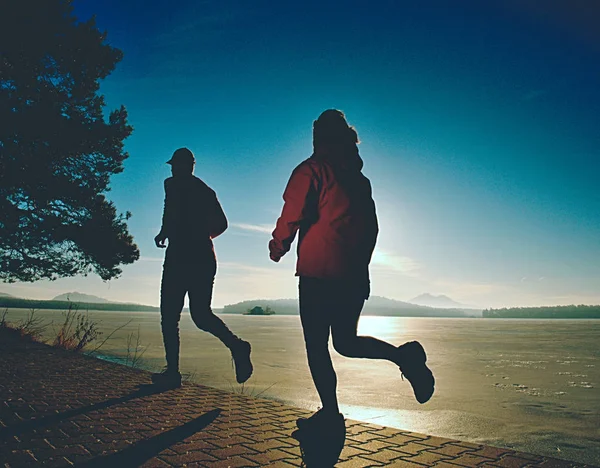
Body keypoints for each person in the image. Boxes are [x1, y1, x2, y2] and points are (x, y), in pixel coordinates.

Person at [269, 110, 434, 431]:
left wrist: (279, 244)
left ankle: (330, 412)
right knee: (345, 342)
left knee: (317, 345)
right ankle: (404, 357)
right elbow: (371, 228)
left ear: (320, 137)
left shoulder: (311, 170)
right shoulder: (359, 181)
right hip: (352, 275)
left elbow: (293, 210)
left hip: (318, 272)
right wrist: (362, 270)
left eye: (316, 133)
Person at [152, 147, 252, 388]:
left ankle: (237, 346)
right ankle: (173, 372)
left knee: (196, 315)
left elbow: (222, 224)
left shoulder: (201, 190)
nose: (175, 170)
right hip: (189, 256)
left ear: (190, 166)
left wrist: (197, 237)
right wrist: (166, 231)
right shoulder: (173, 186)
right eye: (173, 166)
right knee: (175, 315)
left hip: (193, 257)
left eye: (178, 165)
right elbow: (170, 213)